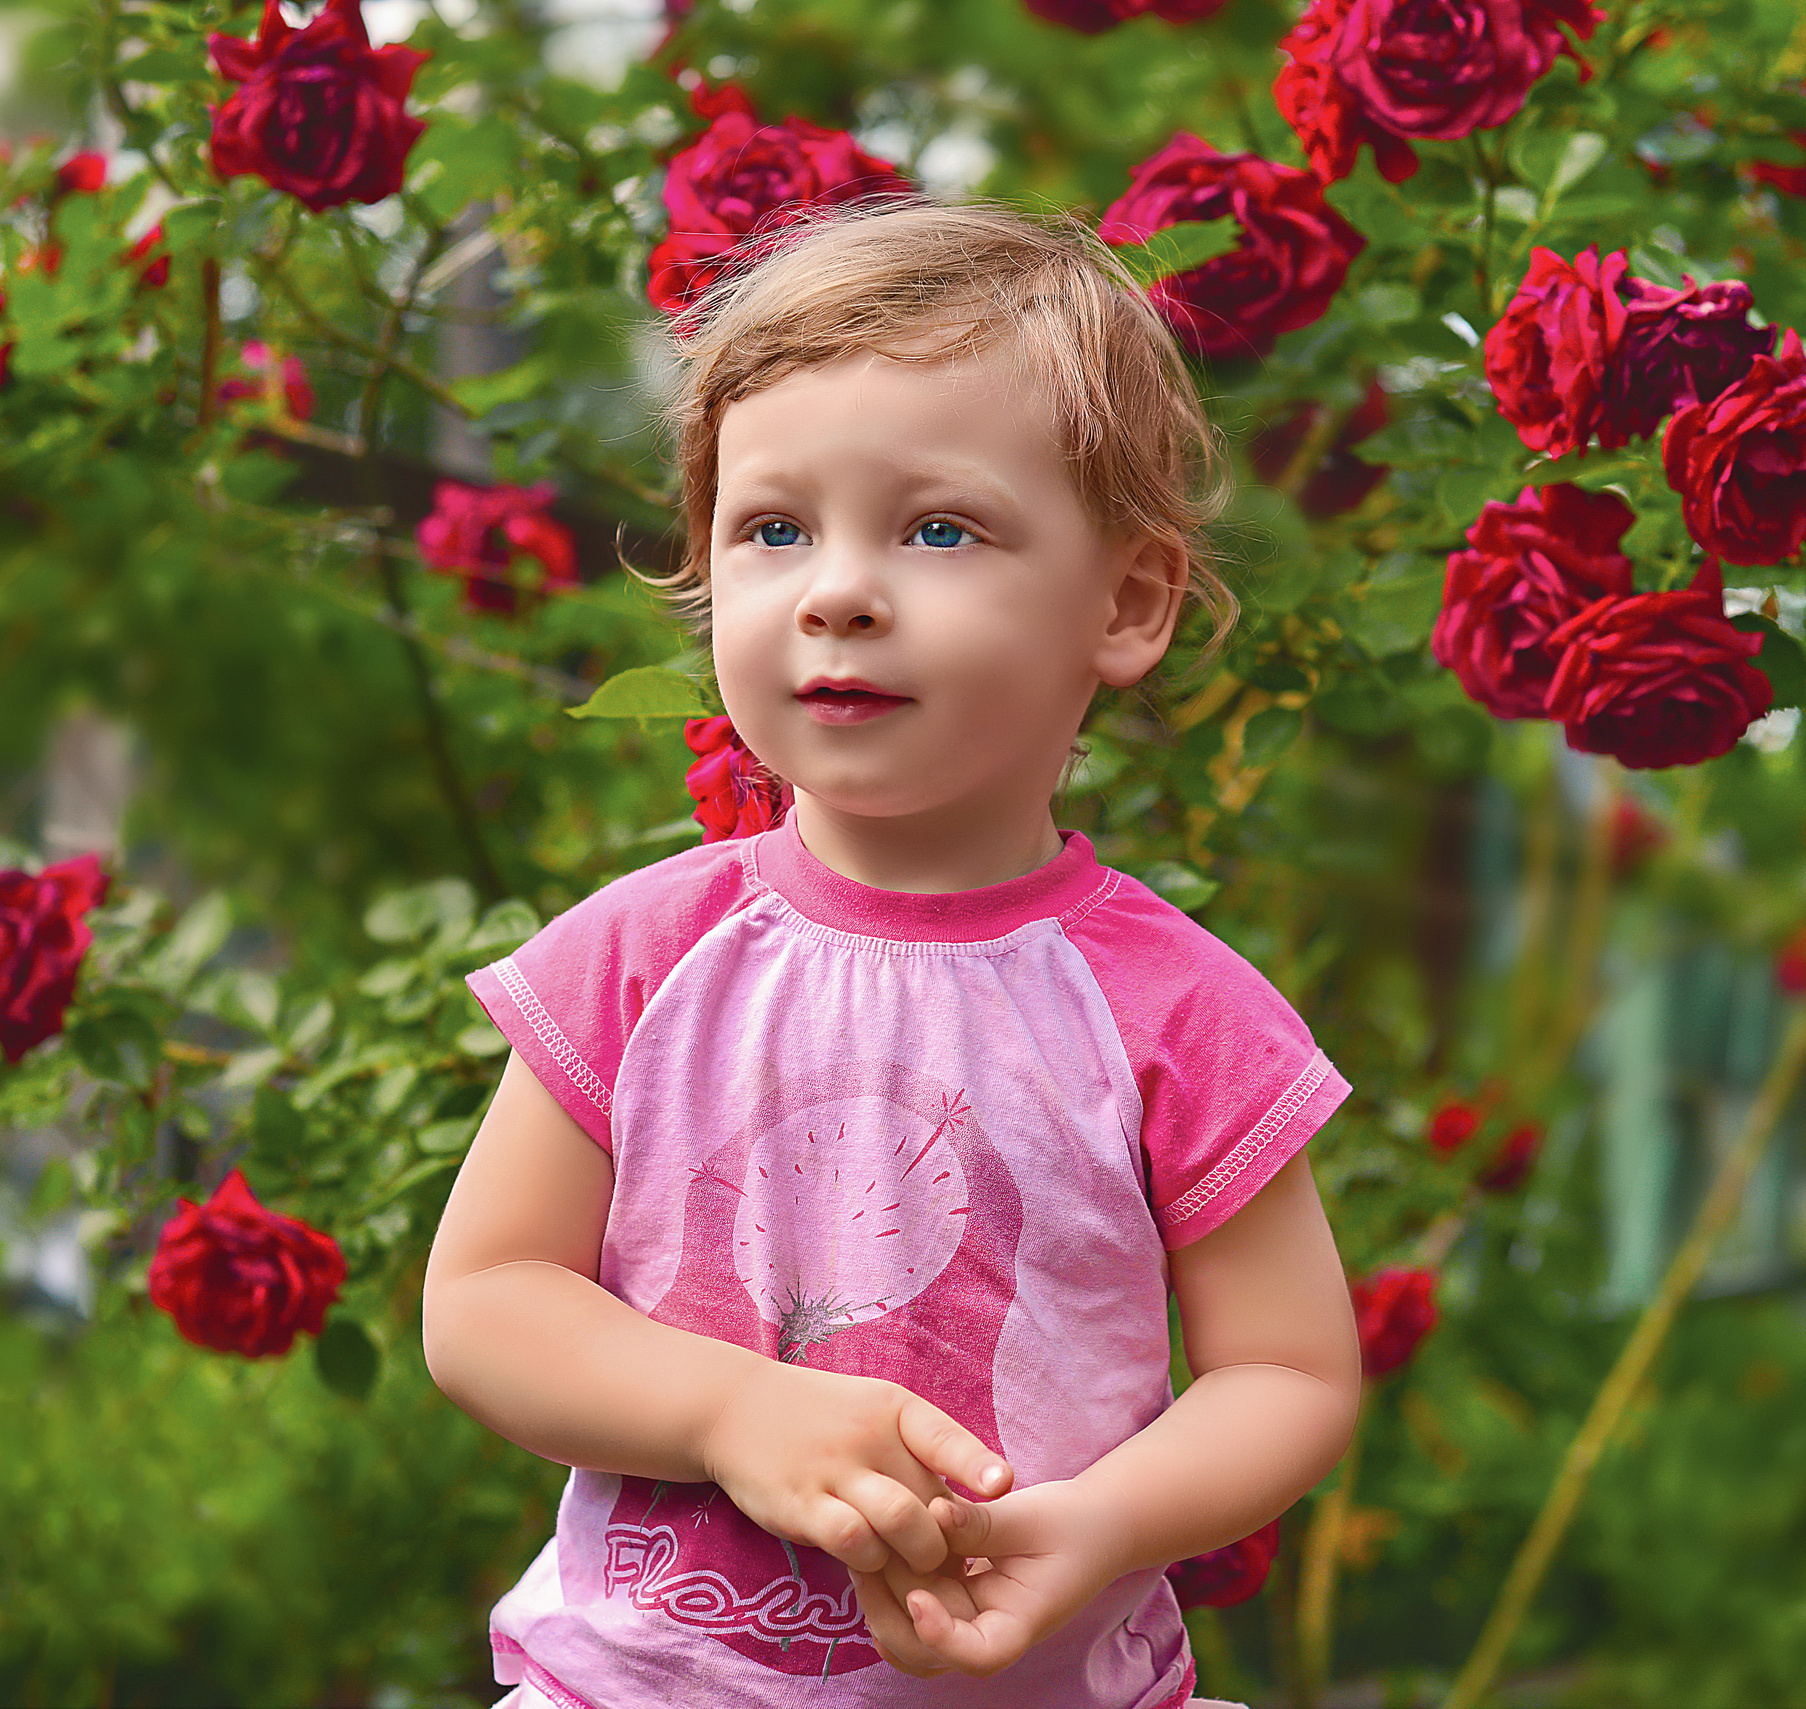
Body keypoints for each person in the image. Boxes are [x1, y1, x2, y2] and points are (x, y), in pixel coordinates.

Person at [422, 202, 1363, 1708]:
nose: (837, 588)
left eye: (937, 527)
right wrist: (729, 1407)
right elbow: (482, 1300)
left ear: (1124, 602)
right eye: (773, 527)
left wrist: (1106, 1520)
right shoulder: (647, 958)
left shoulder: (1172, 1010)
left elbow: (1291, 1372)